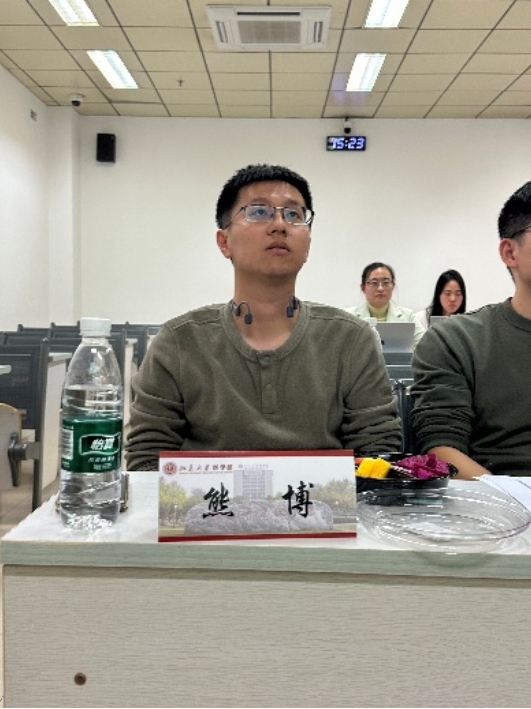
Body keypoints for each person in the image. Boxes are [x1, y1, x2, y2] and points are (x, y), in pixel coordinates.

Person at [126, 164, 401, 470]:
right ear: (224, 242)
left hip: (325, 502)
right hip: (206, 502)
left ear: (308, 243)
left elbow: (379, 453)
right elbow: (147, 462)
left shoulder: (351, 340)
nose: (279, 225)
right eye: (259, 212)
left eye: (294, 214)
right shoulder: (178, 343)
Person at [411, 180, 531, 478]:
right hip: (497, 497)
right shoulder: (456, 341)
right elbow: (442, 450)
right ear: (510, 252)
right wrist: (515, 499)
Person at [344, 262, 425, 346]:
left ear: (393, 286)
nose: (380, 288)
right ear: (363, 287)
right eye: (374, 283)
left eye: (386, 282)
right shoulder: (349, 317)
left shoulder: (408, 317)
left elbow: (424, 346)